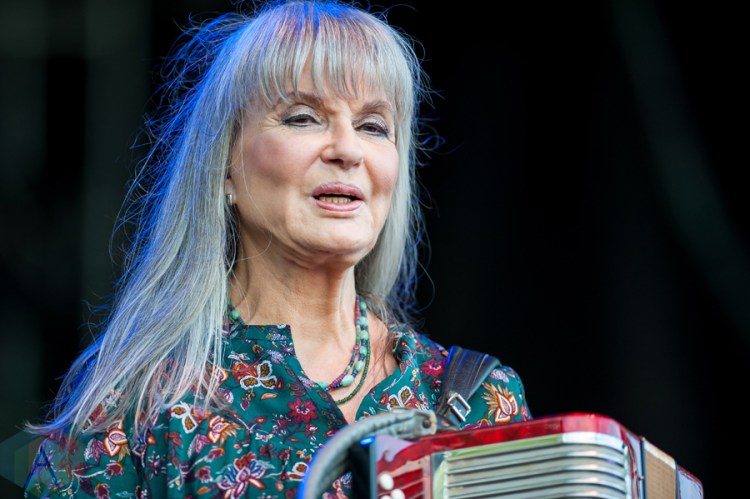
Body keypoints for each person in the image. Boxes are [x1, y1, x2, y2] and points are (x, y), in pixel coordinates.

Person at [23, 0, 532, 497]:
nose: (348, 149)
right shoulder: (137, 405)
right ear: (225, 164)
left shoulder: (479, 401)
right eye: (303, 117)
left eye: (373, 127)